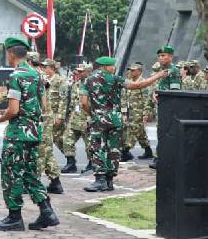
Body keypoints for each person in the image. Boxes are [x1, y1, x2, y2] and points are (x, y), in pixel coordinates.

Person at [0, 37, 60, 231]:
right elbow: (44, 105)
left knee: (11, 173)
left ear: (11, 53)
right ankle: (47, 211)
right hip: (34, 131)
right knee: (30, 173)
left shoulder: (15, 76)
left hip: (17, 133)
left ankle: (14, 217)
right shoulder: (38, 75)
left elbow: (12, 110)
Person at [82, 56, 167, 192]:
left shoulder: (89, 79)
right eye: (112, 66)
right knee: (114, 148)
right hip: (115, 119)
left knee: (97, 147)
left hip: (98, 119)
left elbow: (84, 102)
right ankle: (109, 180)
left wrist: (91, 113)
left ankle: (100, 179)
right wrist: (157, 76)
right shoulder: (115, 79)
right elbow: (137, 85)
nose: (114, 68)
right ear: (105, 66)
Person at [35, 59, 63, 194]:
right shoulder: (41, 77)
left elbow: (63, 99)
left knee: (42, 149)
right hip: (44, 115)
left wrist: (60, 116)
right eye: (43, 66)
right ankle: (55, 181)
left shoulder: (38, 77)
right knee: (47, 150)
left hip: (45, 117)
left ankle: (35, 181)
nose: (44, 69)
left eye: (46, 67)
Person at [61, 64, 94, 173]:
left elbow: (95, 103)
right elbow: (73, 103)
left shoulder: (93, 85)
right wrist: (68, 117)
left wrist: (91, 117)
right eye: (78, 71)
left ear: (88, 72)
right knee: (67, 139)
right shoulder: (76, 85)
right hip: (75, 118)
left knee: (89, 144)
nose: (78, 73)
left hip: (87, 119)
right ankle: (71, 163)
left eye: (81, 71)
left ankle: (92, 164)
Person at [120, 62, 153, 162]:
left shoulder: (144, 83)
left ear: (139, 71)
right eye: (130, 70)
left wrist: (146, 113)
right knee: (140, 132)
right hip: (130, 112)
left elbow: (148, 99)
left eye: (133, 70)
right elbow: (124, 99)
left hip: (139, 112)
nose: (130, 72)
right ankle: (148, 151)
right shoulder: (129, 82)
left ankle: (126, 152)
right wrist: (124, 113)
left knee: (133, 131)